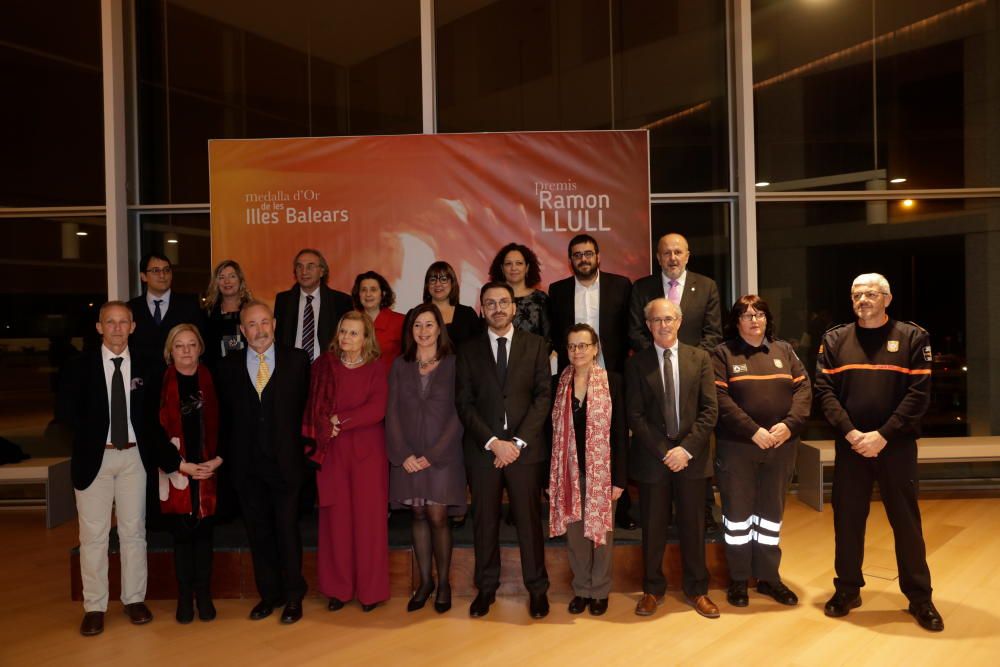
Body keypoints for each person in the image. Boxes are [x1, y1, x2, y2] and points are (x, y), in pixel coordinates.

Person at [814, 273, 944, 632]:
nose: (863, 299)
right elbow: (824, 392)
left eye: (871, 293)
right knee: (848, 521)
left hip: (896, 446)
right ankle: (848, 589)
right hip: (852, 446)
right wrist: (853, 433)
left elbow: (919, 394)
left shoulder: (912, 337)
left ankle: (920, 598)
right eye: (857, 294)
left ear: (887, 298)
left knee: (906, 524)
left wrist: (883, 435)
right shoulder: (835, 339)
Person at [60, 301, 188, 636]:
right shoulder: (78, 366)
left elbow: (154, 422)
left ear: (133, 326)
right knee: (93, 537)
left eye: (123, 322)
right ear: (99, 327)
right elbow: (66, 414)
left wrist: (175, 462)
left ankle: (133, 599)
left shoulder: (148, 366)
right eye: (110, 322)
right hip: (95, 459)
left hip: (134, 460)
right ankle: (95, 606)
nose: (117, 328)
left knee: (134, 533)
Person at [456, 282, 552, 619]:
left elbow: (543, 397)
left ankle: (537, 590)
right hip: (484, 451)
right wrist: (494, 442)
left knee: (529, 523)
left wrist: (517, 442)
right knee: (484, 523)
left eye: (503, 302)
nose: (497, 308)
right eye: (490, 303)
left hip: (525, 451)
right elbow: (464, 403)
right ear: (482, 308)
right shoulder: (467, 350)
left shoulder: (537, 345)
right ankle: (485, 589)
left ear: (514, 307)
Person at [712, 296, 811, 608]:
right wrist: (753, 430)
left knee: (770, 515)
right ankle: (739, 579)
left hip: (781, 446)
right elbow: (718, 398)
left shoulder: (784, 351)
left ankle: (768, 577)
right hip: (738, 447)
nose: (753, 320)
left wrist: (789, 425)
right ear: (736, 321)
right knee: (738, 516)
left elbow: (804, 390)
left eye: (759, 314)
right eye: (746, 315)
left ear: (768, 319)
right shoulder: (722, 353)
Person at [216, 301, 310, 624]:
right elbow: (224, 419)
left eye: (264, 322)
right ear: (242, 331)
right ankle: (270, 595)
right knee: (259, 534)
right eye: (251, 325)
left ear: (274, 323)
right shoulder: (226, 367)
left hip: (286, 465)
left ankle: (295, 597)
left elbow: (306, 412)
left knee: (287, 531)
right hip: (246, 468)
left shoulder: (298, 361)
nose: (259, 330)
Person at [626, 298, 719, 619]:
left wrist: (686, 449)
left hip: (692, 459)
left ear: (679, 321)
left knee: (694, 527)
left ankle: (698, 590)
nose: (663, 325)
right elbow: (635, 416)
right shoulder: (637, 364)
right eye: (656, 320)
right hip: (655, 460)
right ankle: (652, 589)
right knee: (653, 528)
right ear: (648, 325)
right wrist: (666, 451)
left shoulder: (701, 358)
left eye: (668, 319)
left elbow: (710, 411)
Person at [627, 233, 724, 532]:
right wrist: (658, 357)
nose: (672, 258)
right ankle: (659, 513)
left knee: (696, 443)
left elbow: (713, 333)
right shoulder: (642, 287)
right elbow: (635, 330)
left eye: (678, 252)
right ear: (658, 257)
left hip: (694, 376)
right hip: (653, 375)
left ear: (687, 255)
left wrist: (691, 363)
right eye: (666, 253)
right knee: (656, 441)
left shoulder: (706, 286)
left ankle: (703, 511)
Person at [303, 311, 390, 612]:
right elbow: (310, 405)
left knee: (369, 523)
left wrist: (340, 420)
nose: (347, 338)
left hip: (368, 454)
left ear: (366, 338)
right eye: (343, 332)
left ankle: (370, 592)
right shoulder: (322, 366)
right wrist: (326, 423)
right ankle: (338, 590)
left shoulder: (377, 368)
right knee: (335, 523)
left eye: (354, 333)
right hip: (333, 453)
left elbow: (377, 408)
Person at [548, 233, 635, 530]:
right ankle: (577, 505)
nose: (583, 259)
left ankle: (619, 507)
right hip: (574, 377)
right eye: (577, 254)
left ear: (598, 257)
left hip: (611, 377)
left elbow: (629, 330)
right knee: (576, 440)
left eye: (588, 253)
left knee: (615, 436)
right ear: (570, 260)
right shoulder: (557, 290)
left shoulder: (621, 286)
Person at [386, 304, 467, 614]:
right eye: (417, 325)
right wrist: (403, 454)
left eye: (429, 325)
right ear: (411, 331)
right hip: (407, 454)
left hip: (442, 456)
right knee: (418, 514)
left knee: (437, 516)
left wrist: (431, 455)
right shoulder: (399, 366)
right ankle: (425, 582)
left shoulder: (453, 364)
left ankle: (444, 582)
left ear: (439, 329)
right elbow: (391, 412)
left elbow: (459, 414)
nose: (422, 331)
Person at [548, 324, 627, 616]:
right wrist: (551, 476)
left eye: (583, 345)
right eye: (572, 346)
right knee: (576, 536)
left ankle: (600, 591)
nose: (577, 351)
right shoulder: (558, 382)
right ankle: (581, 589)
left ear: (596, 348)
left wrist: (619, 478)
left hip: (602, 474)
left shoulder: (613, 382)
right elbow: (549, 432)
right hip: (567, 472)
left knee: (602, 536)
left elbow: (620, 432)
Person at [157, 324, 224, 623]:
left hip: (210, 469)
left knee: (204, 538)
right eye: (179, 345)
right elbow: (152, 432)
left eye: (191, 344)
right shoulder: (160, 384)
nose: (186, 350)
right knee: (182, 538)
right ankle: (185, 598)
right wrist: (179, 465)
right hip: (176, 472)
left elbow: (230, 421)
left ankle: (205, 595)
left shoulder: (214, 379)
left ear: (200, 348)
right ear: (170, 351)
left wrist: (218, 460)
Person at [127, 252, 204, 371]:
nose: (162, 275)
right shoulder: (131, 308)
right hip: (141, 382)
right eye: (155, 271)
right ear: (143, 276)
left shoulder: (189, 306)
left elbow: (201, 344)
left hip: (179, 380)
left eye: (167, 270)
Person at [274, 248, 353, 363]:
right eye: (299, 266)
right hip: (291, 368)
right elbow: (278, 339)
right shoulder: (283, 300)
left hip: (328, 368)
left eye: (310, 266)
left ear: (321, 271)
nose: (304, 272)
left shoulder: (341, 301)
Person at [489, 243, 551, 342]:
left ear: (527, 268)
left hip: (534, 356)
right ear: (502, 268)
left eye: (519, 263)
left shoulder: (541, 299)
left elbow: (549, 339)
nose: (513, 268)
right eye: (508, 264)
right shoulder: (490, 297)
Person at [202, 259, 252, 368]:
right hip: (216, 373)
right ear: (216, 283)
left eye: (232, 276)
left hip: (249, 371)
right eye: (221, 277)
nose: (227, 281)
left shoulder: (251, 310)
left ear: (240, 280)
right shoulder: (208, 313)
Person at [419, 260, 482, 347]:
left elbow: (479, 348)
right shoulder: (416, 314)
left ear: (452, 283)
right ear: (427, 285)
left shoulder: (467, 314)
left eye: (443, 279)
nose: (437, 284)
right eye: (433, 279)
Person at [352, 270, 406, 370]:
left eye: (373, 290)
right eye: (363, 290)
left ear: (383, 293)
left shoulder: (400, 321)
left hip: (389, 383)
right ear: (358, 294)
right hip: (357, 381)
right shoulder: (350, 323)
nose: (368, 294)